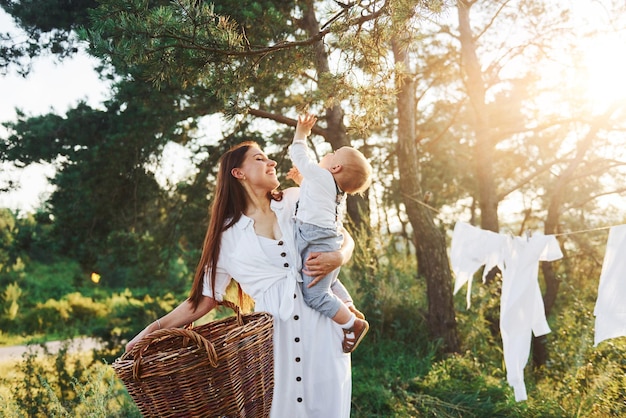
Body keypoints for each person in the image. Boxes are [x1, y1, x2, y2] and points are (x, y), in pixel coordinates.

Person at [125, 141, 355, 417]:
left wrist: (340, 256)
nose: (271, 163)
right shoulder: (227, 235)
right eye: (260, 159)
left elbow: (340, 235)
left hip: (324, 329)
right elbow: (203, 300)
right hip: (271, 346)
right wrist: (151, 331)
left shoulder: (296, 199)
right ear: (238, 173)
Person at [288, 113, 372, 354]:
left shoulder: (324, 176)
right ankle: (347, 305)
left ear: (335, 167)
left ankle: (351, 324)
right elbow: (314, 198)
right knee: (331, 280)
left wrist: (301, 133)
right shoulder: (336, 193)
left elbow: (300, 156)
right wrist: (302, 181)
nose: (328, 153)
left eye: (333, 154)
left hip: (316, 238)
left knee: (314, 295)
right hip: (328, 240)